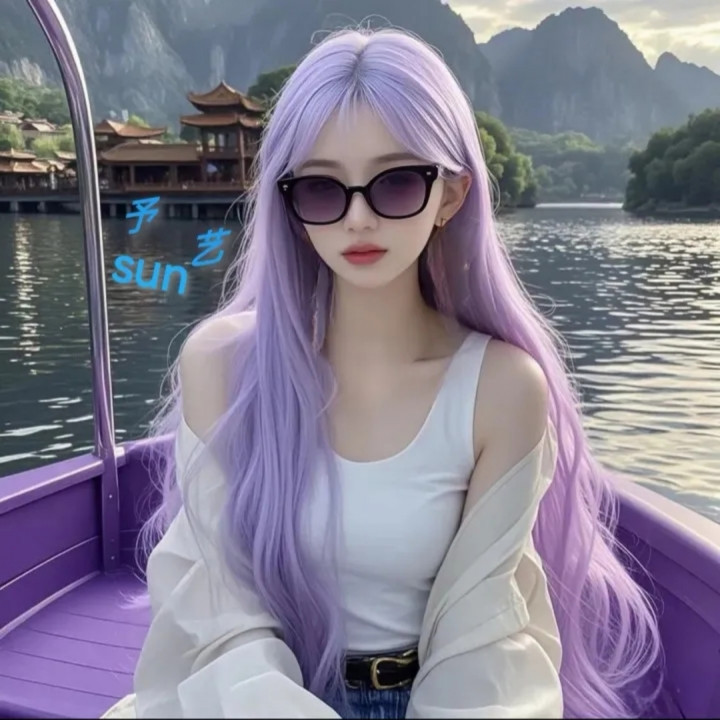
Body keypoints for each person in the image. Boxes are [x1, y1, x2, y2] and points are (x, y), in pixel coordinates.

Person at [104, 27, 663, 720]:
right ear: (289, 206)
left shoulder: (501, 389)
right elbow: (217, 607)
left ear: (451, 195)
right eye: (321, 189)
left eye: (397, 182)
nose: (359, 218)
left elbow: (481, 634)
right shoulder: (222, 364)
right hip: (250, 698)